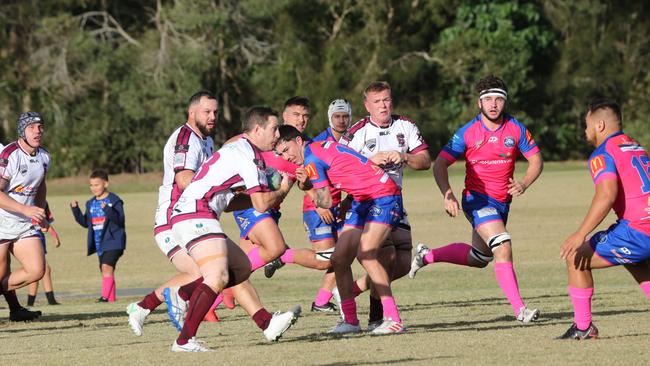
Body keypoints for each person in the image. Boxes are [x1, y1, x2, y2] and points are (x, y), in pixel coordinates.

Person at [409, 75, 543, 323]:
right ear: (479, 103)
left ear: (505, 102)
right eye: (488, 99)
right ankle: (520, 310)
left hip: (502, 203)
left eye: (499, 100)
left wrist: (523, 182)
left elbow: (536, 160)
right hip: (477, 200)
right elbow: (440, 164)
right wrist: (447, 194)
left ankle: (426, 256)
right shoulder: (467, 132)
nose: (493, 104)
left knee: (479, 258)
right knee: (503, 246)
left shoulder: (517, 129)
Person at [167, 106, 300, 352]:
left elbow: (231, 204)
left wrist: (267, 194)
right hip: (195, 213)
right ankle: (184, 340)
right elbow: (261, 205)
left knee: (241, 268)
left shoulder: (243, 150)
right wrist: (282, 188)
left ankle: (265, 323)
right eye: (274, 128)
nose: (277, 134)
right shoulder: (247, 154)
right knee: (218, 277)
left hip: (199, 212)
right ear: (257, 129)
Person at [275, 124, 405, 335]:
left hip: (383, 197)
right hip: (362, 200)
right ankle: (351, 321)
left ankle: (394, 319)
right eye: (280, 153)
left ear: (298, 141)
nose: (285, 157)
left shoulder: (311, 159)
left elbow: (325, 200)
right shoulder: (319, 148)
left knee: (366, 254)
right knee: (339, 259)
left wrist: (307, 187)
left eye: (287, 149)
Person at [339, 82, 431, 329]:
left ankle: (352, 291)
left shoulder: (405, 126)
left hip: (395, 199)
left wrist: (405, 157)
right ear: (367, 105)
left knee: (401, 262)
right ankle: (378, 318)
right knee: (383, 255)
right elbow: (341, 166)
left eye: (387, 100)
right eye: (377, 102)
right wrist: (371, 162)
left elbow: (425, 161)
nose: (383, 106)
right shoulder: (358, 132)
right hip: (368, 201)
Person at [127, 91, 218, 336]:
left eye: (215, 112)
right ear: (192, 112)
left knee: (214, 270)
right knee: (207, 272)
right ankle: (168, 316)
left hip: (193, 217)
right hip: (171, 218)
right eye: (206, 112)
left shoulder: (206, 141)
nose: (212, 117)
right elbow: (184, 179)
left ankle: (143, 307)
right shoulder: (186, 138)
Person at [558, 99, 650, 339]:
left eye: (586, 125)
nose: (585, 131)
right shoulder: (635, 145)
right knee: (636, 262)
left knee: (575, 257)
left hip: (639, 230)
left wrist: (580, 234)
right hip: (643, 226)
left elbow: (606, 195)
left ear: (599, 125)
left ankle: (583, 327)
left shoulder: (602, 153)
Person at [264, 98, 352, 313]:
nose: (302, 120)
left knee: (344, 257)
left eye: (305, 116)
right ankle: (282, 255)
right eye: (297, 115)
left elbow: (306, 176)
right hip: (317, 208)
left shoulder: (311, 142)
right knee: (326, 260)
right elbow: (306, 180)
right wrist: (319, 203)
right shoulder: (288, 144)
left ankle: (322, 301)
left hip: (335, 206)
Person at [0, 112, 49, 321]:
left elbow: (40, 186)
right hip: (2, 221)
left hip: (25, 224)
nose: (37, 131)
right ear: (22, 130)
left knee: (37, 270)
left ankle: (15, 309)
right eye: (32, 127)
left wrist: (40, 212)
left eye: (40, 127)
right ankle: (16, 310)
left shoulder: (45, 157)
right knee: (1, 272)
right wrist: (26, 210)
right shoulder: (10, 154)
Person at [71, 170, 126, 303]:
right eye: (91, 185)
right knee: (106, 270)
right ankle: (111, 299)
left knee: (106, 267)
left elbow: (119, 220)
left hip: (114, 241)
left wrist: (107, 209)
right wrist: (75, 210)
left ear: (105, 184)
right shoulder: (90, 203)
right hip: (99, 243)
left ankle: (104, 297)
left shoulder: (114, 200)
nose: (94, 188)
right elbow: (85, 223)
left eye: (97, 185)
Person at [27, 202, 62, 306]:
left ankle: (34, 302)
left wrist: (54, 235)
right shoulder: (23, 201)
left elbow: (45, 222)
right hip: (29, 240)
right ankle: (48, 301)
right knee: (42, 269)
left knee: (43, 270)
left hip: (39, 239)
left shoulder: (43, 202)